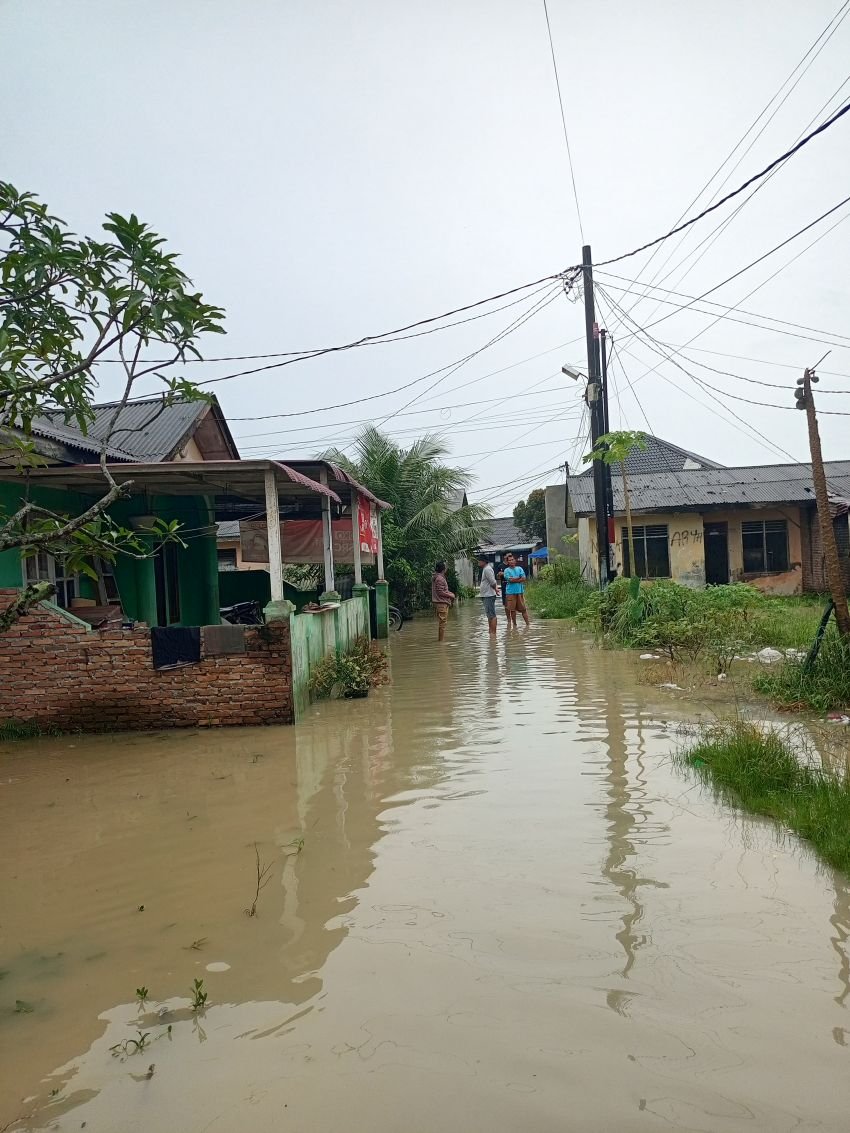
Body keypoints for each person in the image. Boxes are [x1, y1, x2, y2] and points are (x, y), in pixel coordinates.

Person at [502, 552, 530, 628]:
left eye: (512, 559)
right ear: (507, 562)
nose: (511, 561)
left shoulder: (519, 568)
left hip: (520, 592)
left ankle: (528, 625)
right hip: (510, 593)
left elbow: (524, 578)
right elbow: (510, 580)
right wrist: (519, 578)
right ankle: (514, 625)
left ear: (515, 560)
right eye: (509, 560)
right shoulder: (506, 570)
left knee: (523, 609)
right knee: (512, 610)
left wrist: (515, 579)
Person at [431, 560, 455, 642]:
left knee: (442, 623)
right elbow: (440, 592)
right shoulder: (440, 578)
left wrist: (450, 593)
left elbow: (441, 590)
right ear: (443, 569)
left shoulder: (437, 577)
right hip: (441, 603)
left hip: (440, 603)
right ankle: (441, 643)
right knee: (442, 623)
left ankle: (441, 641)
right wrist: (450, 595)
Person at [476, 554, 498, 636]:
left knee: (492, 615)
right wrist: (495, 589)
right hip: (486, 595)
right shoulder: (486, 569)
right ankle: (491, 632)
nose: (478, 562)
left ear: (484, 561)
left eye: (479, 560)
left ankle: (493, 634)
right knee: (489, 615)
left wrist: (495, 588)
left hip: (488, 595)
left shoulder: (487, 569)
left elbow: (493, 582)